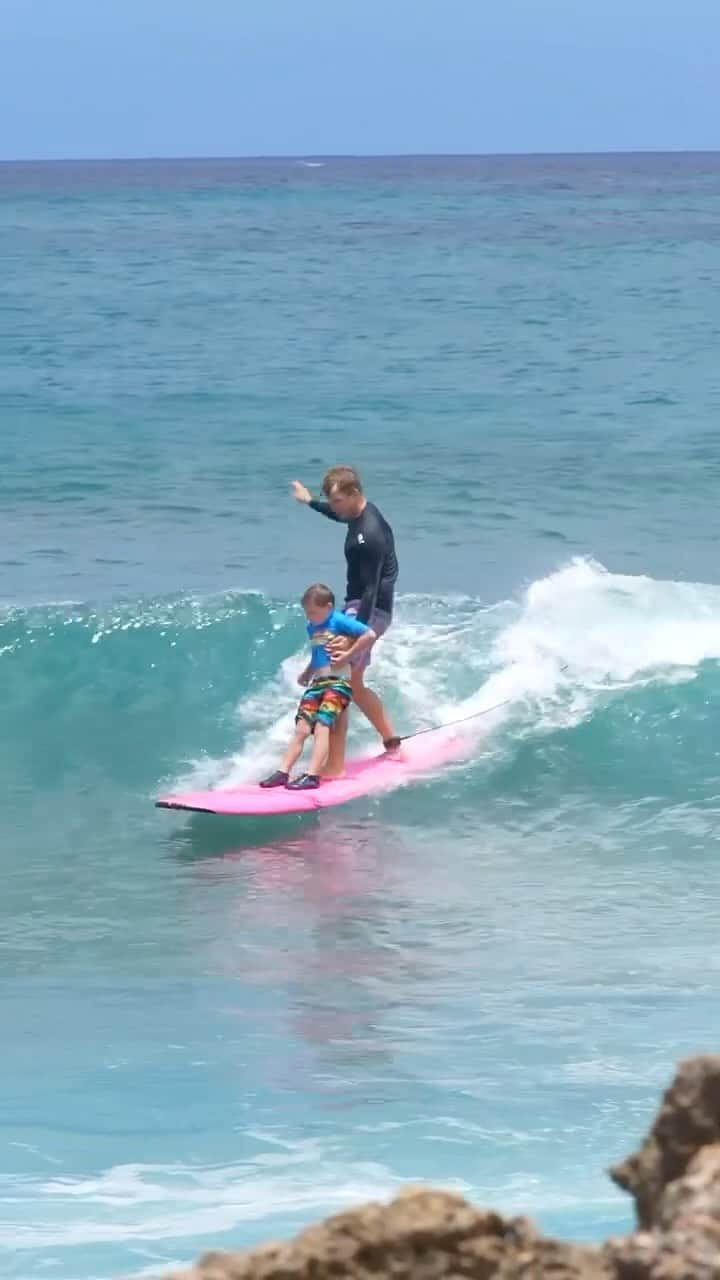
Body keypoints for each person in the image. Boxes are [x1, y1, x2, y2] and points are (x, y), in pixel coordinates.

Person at [291, 466, 401, 772]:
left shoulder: (372, 532)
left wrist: (354, 633)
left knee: (335, 681)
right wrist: (310, 502)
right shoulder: (353, 514)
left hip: (370, 609)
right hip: (360, 606)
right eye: (333, 501)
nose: (336, 507)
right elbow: (336, 515)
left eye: (338, 500)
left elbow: (371, 587)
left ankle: (333, 769)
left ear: (355, 494)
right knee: (354, 684)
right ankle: (392, 742)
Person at [259, 583, 376, 791]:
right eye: (307, 612)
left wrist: (349, 655)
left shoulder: (339, 621)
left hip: (338, 684)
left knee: (323, 725)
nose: (309, 616)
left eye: (313, 612)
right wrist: (307, 673)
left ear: (328, 606)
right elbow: (318, 655)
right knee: (302, 728)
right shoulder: (312, 627)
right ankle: (283, 772)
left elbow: (369, 635)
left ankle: (312, 776)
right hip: (318, 683)